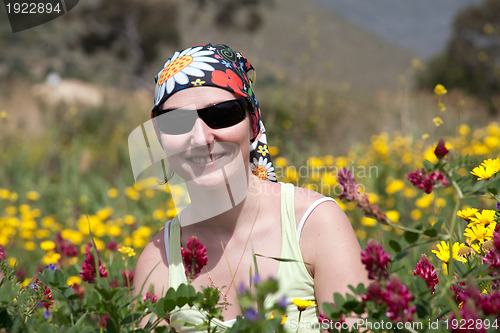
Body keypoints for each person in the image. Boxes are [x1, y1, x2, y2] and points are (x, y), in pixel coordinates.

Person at [132, 43, 369, 332]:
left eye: (221, 114)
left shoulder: (315, 226)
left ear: (253, 123)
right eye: (177, 122)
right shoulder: (158, 262)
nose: (200, 137)